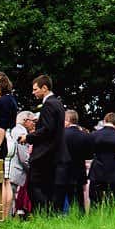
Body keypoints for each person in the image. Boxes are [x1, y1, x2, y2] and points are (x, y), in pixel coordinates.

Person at [26, 74, 64, 211]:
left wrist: (28, 137)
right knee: (48, 187)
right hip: (54, 154)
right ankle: (49, 213)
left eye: (35, 89)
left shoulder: (48, 105)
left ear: (45, 88)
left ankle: (44, 213)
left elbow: (47, 130)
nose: (33, 92)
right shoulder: (58, 103)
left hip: (44, 154)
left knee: (33, 185)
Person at [56, 109, 92, 214]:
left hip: (62, 171)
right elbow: (89, 155)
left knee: (60, 199)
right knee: (79, 199)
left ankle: (59, 218)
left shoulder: (60, 135)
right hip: (79, 171)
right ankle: (80, 218)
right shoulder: (85, 135)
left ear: (67, 120)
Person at [89, 112, 115, 209]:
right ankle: (111, 218)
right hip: (113, 172)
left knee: (95, 200)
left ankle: (94, 217)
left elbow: (89, 152)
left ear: (104, 120)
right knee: (113, 200)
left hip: (97, 170)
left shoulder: (95, 134)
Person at [3, 111, 35, 217]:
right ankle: (7, 220)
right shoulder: (20, 132)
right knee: (10, 197)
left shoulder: (15, 130)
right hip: (15, 170)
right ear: (25, 120)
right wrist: (30, 168)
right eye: (33, 121)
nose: (34, 124)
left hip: (14, 169)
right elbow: (23, 155)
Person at [0, 73, 19, 163]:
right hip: (7, 140)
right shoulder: (9, 99)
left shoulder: (4, 100)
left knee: (1, 173)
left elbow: (2, 126)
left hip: (3, 141)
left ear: (1, 85)